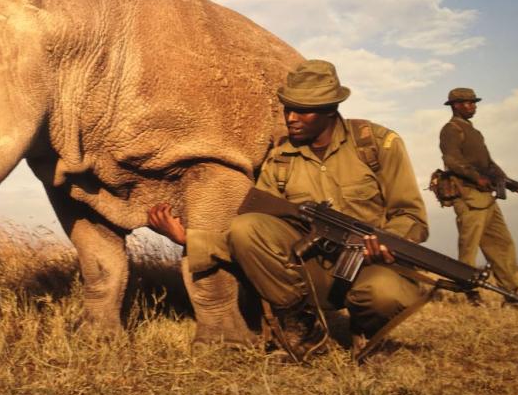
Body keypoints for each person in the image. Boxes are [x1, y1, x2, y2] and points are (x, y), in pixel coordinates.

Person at [148, 59, 428, 359]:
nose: (291, 118)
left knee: (384, 293)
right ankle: (302, 329)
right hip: (313, 272)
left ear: (330, 110)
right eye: (287, 108)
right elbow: (246, 239)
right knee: (247, 226)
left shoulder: (377, 145)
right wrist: (188, 238)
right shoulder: (280, 159)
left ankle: (365, 330)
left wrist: (387, 242)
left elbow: (412, 217)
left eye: (302, 110)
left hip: (370, 268)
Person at [439, 88, 518, 308]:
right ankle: (469, 293)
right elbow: (452, 161)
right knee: (469, 249)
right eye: (468, 103)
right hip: (468, 196)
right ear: (455, 105)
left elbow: (489, 165)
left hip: (486, 198)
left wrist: (516, 186)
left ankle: (511, 293)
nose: (473, 106)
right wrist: (476, 178)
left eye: (473, 102)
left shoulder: (474, 132)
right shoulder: (451, 129)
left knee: (502, 244)